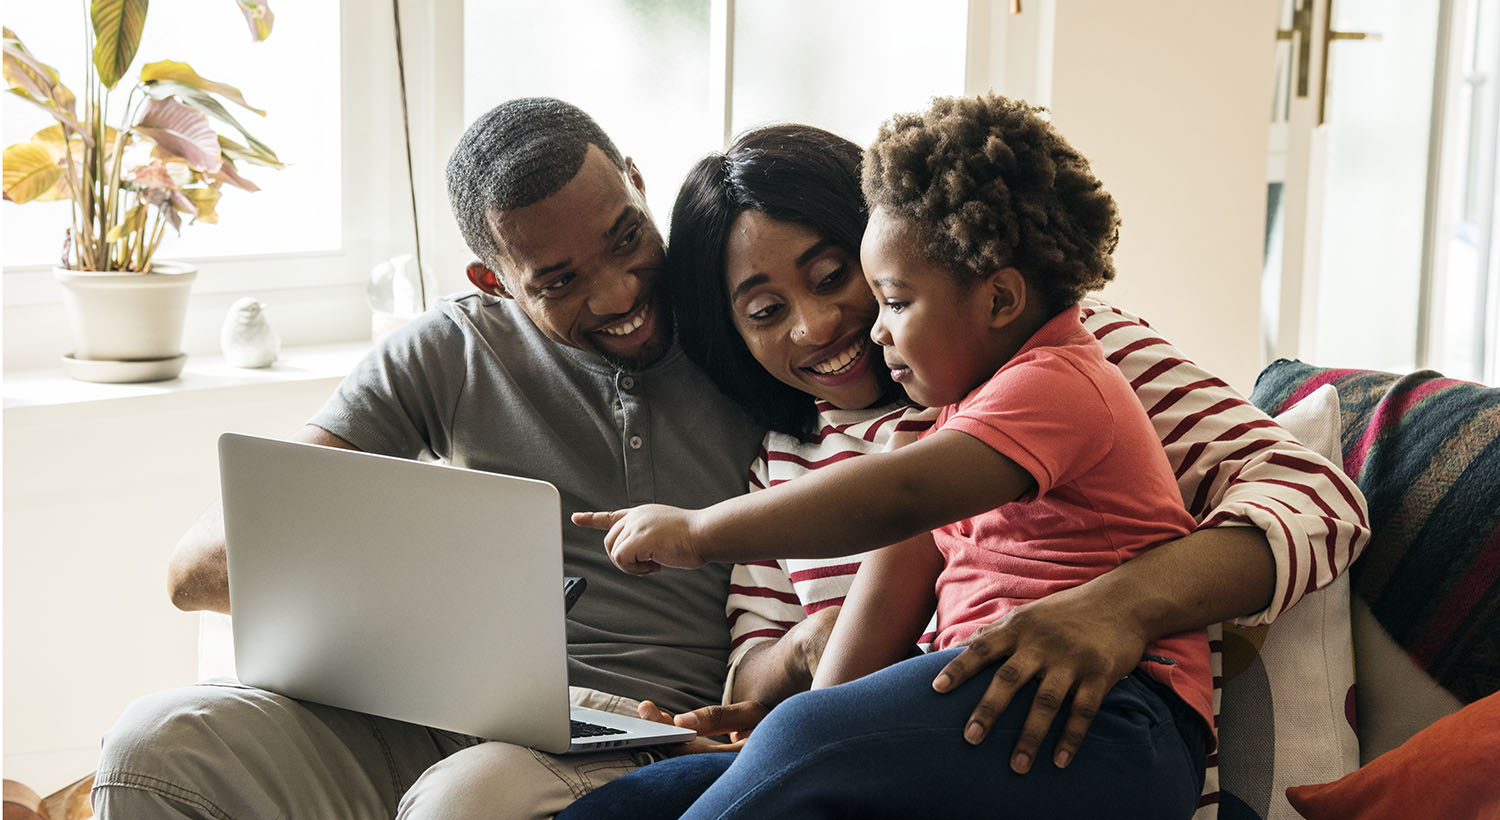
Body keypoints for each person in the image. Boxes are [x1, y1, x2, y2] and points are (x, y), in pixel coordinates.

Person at [559, 102, 1369, 818]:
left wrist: (1121, 606)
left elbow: (1318, 503)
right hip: (908, 754)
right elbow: (792, 673)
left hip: (1094, 734)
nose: (820, 326)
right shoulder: (791, 458)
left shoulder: (1069, 360)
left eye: (846, 280)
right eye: (767, 311)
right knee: (638, 800)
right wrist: (804, 674)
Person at [90, 97, 769, 820]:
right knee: (153, 749)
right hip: (429, 712)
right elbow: (198, 570)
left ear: (636, 181)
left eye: (626, 238)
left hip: (627, 733)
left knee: (462, 801)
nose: (619, 292)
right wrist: (420, 613)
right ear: (495, 282)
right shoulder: (455, 349)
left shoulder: (754, 327)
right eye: (558, 281)